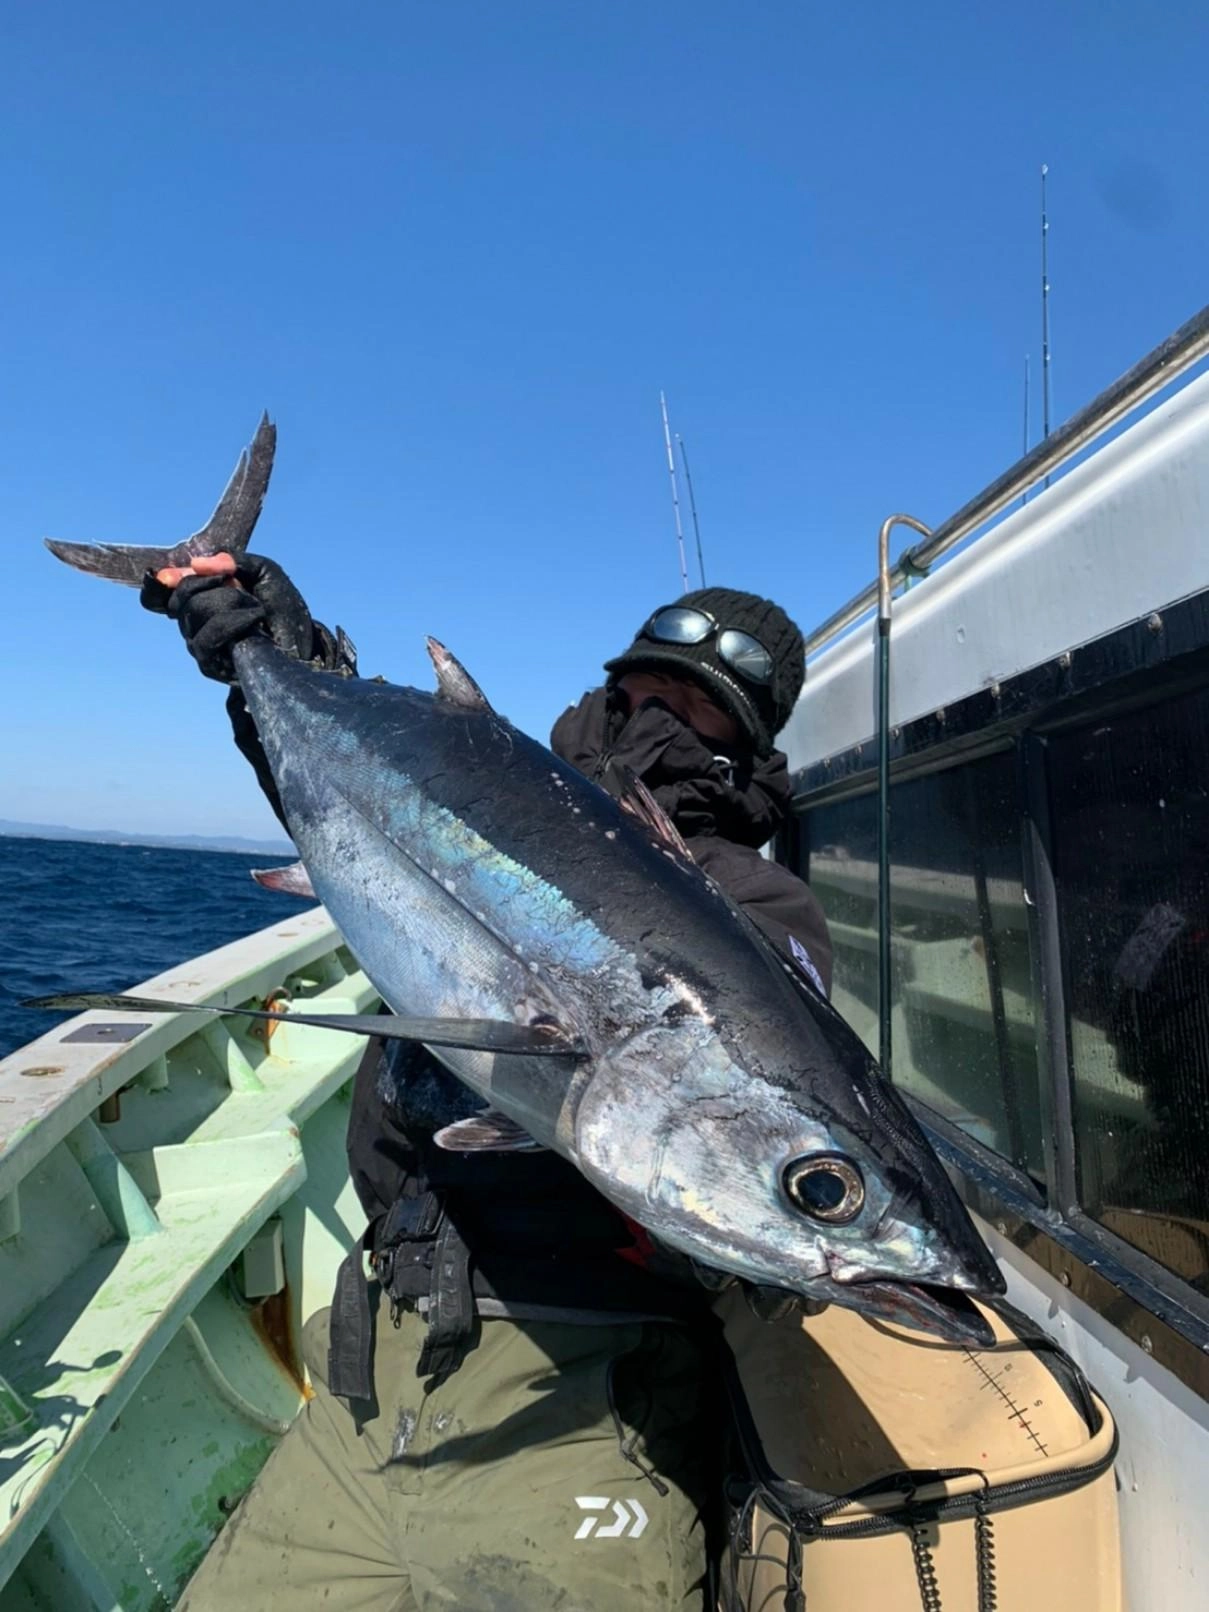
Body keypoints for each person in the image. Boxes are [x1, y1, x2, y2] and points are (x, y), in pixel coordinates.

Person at [145, 554, 833, 1612]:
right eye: (646, 690)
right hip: (379, 1353)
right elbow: (356, 818)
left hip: (592, 1385)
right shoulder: (491, 790)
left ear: (751, 744)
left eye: (704, 709)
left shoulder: (759, 907)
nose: (662, 717)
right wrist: (275, 660)